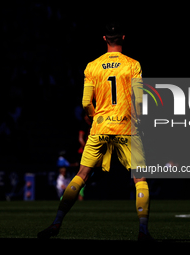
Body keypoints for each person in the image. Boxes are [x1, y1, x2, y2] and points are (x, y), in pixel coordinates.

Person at [38, 22, 152, 241]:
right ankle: (143, 231)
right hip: (127, 127)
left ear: (104, 39)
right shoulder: (133, 65)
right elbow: (138, 100)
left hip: (100, 126)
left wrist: (93, 116)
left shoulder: (92, 66)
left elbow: (84, 102)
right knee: (140, 179)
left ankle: (56, 222)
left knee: (81, 175)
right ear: (123, 38)